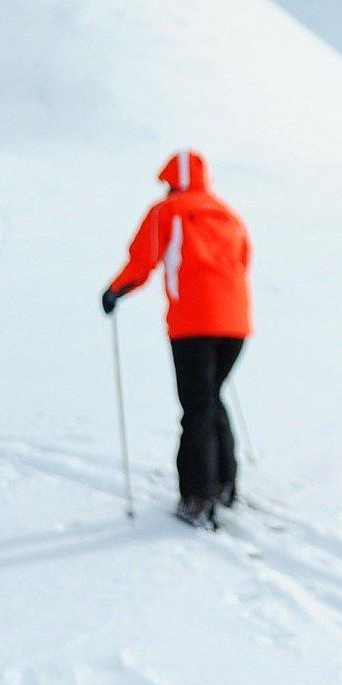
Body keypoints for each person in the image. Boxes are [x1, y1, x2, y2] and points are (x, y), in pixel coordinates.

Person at [102, 149, 251, 528]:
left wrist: (115, 290)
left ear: (172, 180)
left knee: (197, 406)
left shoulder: (165, 212)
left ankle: (198, 497)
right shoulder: (227, 213)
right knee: (210, 398)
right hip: (235, 325)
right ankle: (225, 484)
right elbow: (244, 260)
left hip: (192, 324)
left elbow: (143, 260)